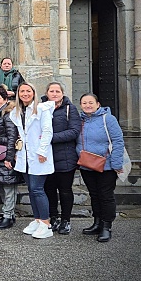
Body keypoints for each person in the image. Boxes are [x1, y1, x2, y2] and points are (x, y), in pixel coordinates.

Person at [77, 93, 125, 243]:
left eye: (91, 102)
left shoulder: (108, 119)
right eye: (84, 103)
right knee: (94, 194)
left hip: (106, 165)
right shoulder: (80, 120)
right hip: (87, 164)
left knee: (106, 195)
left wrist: (116, 163)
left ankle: (106, 226)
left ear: (98, 104)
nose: (87, 105)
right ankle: (97, 223)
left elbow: (118, 141)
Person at [9, 82, 55, 239]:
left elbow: (47, 131)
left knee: (37, 189)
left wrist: (42, 150)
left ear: (34, 93)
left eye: (28, 91)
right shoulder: (18, 111)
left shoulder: (42, 109)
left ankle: (46, 223)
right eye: (22, 91)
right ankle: (37, 219)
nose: (25, 94)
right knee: (31, 189)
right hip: (25, 157)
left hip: (39, 156)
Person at [43, 82, 81, 235]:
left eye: (57, 91)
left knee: (65, 191)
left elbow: (74, 131)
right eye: (51, 91)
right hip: (47, 157)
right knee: (49, 190)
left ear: (62, 93)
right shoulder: (42, 108)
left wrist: (50, 138)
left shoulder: (69, 108)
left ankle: (66, 220)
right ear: (47, 93)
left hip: (65, 156)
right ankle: (53, 217)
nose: (54, 93)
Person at [0, 86, 23, 229]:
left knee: (9, 188)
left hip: (5, 155)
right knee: (1, 186)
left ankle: (8, 215)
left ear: (5, 99)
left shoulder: (8, 114)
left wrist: (9, 157)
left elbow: (12, 136)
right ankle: (8, 214)